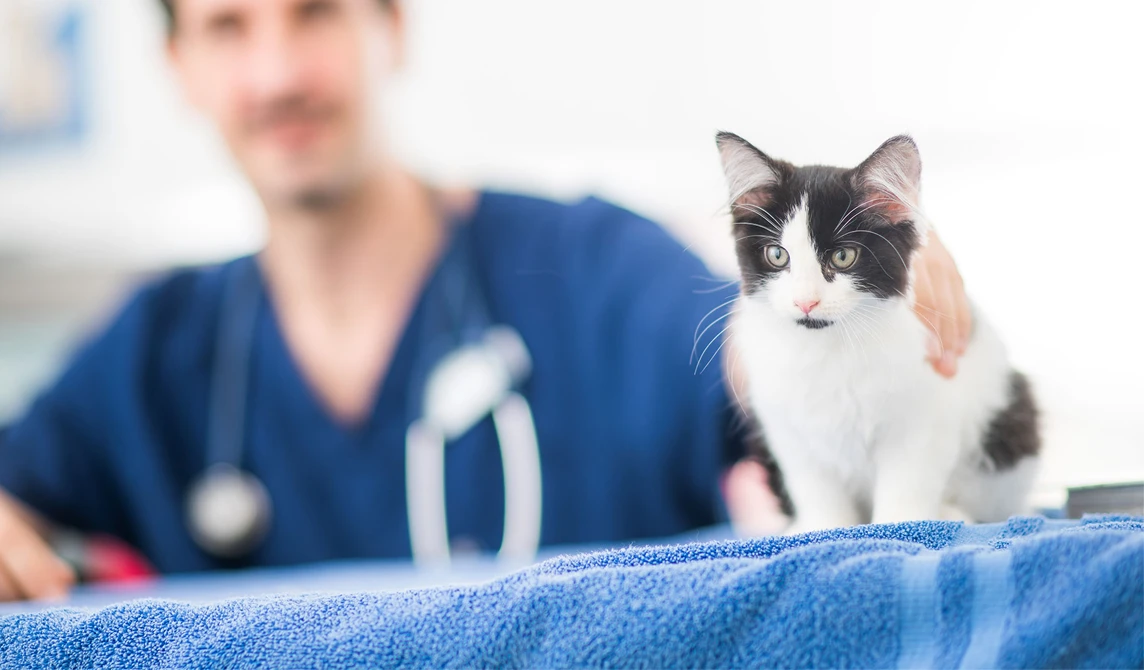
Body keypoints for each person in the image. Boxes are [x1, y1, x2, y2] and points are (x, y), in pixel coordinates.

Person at [0, 0, 973, 601]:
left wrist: (870, 306)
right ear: (180, 68)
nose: (277, 73)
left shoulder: (587, 267)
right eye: (227, 25)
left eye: (314, 13)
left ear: (389, 26)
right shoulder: (149, 353)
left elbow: (755, 359)